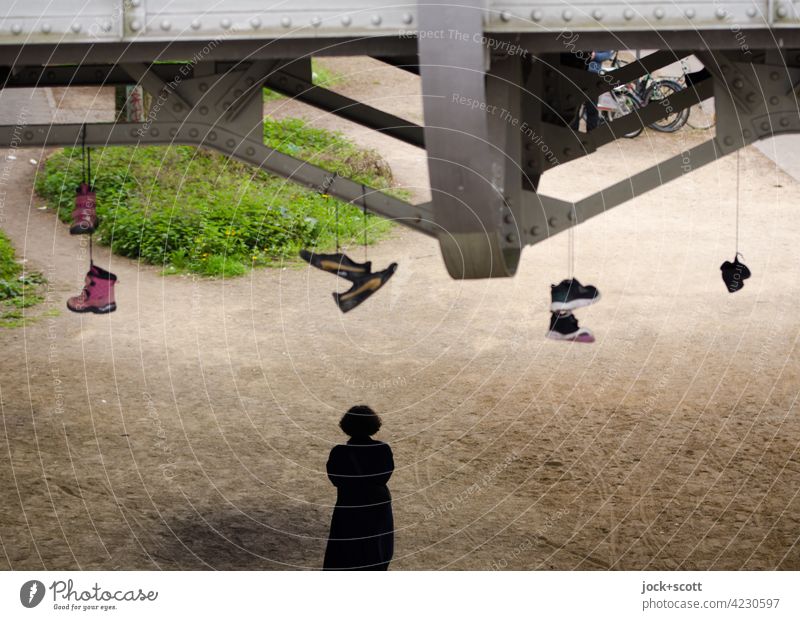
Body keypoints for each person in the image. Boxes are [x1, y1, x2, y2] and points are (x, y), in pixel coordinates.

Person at [323, 405, 394, 570]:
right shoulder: (382, 450)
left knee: (345, 555)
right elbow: (384, 476)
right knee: (376, 554)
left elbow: (336, 479)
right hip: (377, 510)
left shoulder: (339, 453)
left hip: (349, 509)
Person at [571, 50, 615, 131]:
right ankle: (573, 137)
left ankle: (592, 137)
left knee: (592, 109)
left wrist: (595, 56)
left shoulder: (601, 38)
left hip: (592, 79)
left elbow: (608, 54)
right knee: (574, 109)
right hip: (576, 76)